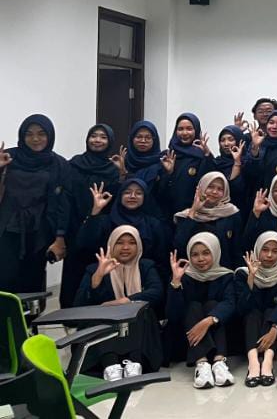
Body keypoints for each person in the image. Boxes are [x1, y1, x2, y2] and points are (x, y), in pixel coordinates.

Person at [74, 225, 165, 380]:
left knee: (142, 309)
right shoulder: (95, 269)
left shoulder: (146, 266)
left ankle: (135, 363)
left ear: (138, 245)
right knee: (99, 312)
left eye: (131, 242)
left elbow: (156, 292)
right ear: (111, 245)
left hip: (136, 326)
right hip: (106, 328)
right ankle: (110, 365)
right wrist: (97, 278)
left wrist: (126, 301)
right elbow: (79, 305)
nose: (126, 247)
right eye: (120, 242)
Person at [0, 114, 71, 293]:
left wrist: (60, 237)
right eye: (29, 134)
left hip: (39, 232)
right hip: (6, 229)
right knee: (4, 278)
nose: (35, 139)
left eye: (41, 133)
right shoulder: (9, 157)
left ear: (50, 136)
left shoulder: (59, 164)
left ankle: (31, 313)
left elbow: (63, 203)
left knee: (33, 281)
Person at [166, 232, 237, 389]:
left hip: (220, 332)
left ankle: (219, 363)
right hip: (189, 335)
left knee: (213, 305)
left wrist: (208, 320)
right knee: (193, 306)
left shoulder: (226, 275)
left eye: (206, 253)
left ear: (215, 252)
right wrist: (176, 282)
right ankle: (202, 364)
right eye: (195, 254)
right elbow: (173, 314)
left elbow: (231, 304)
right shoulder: (184, 276)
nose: (200, 259)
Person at [62, 124, 122, 308]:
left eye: (103, 137)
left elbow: (114, 203)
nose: (97, 140)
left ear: (109, 141)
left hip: (100, 232)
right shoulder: (74, 164)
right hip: (75, 229)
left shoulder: (112, 170)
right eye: (94, 136)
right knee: (72, 277)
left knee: (98, 275)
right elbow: (65, 198)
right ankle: (69, 316)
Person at [77, 179, 170, 281]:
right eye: (127, 192)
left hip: (143, 278)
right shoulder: (106, 221)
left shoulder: (153, 224)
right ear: (120, 196)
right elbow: (85, 245)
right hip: (107, 276)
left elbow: (161, 258)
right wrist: (96, 210)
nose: (132, 196)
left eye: (138, 193)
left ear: (145, 197)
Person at [235, 231, 277, 387]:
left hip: (274, 326)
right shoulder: (242, 273)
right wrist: (251, 278)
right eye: (265, 250)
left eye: (275, 251)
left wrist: (275, 329)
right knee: (252, 313)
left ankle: (267, 362)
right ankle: (253, 363)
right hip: (250, 325)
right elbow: (242, 308)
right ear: (257, 249)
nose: (270, 255)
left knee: (271, 311)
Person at [174, 172, 243, 268]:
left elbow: (236, 250)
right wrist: (194, 211)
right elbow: (179, 246)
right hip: (194, 272)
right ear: (201, 188)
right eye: (210, 187)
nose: (214, 192)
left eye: (220, 189)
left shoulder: (231, 213)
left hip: (224, 272)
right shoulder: (186, 216)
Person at [161, 113, 215, 216]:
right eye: (180, 129)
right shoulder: (168, 156)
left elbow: (210, 183)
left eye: (189, 129)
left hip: (195, 214)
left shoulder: (202, 156)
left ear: (196, 130)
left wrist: (207, 155)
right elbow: (160, 190)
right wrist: (169, 173)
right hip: (167, 214)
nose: (184, 133)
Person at [247, 109, 277, 190]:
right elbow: (249, 173)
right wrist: (255, 148)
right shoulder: (259, 143)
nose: (274, 127)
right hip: (256, 193)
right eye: (271, 123)